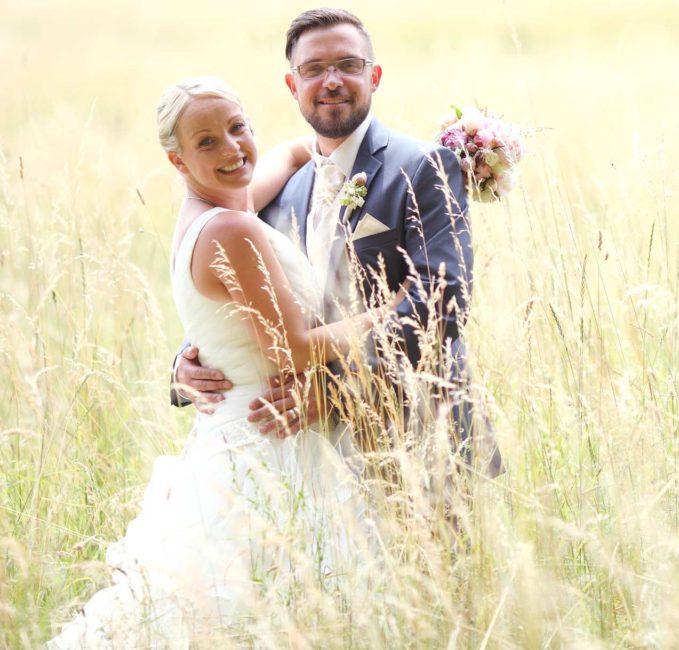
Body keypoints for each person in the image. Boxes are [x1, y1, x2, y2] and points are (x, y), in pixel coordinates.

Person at [48, 77, 383, 647]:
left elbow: (282, 155)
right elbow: (296, 349)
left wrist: (312, 151)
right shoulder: (230, 228)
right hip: (268, 443)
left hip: (235, 433)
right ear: (177, 160)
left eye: (238, 127)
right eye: (207, 143)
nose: (232, 149)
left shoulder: (224, 207)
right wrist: (393, 311)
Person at [171, 8, 503, 480]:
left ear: (374, 76)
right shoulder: (280, 188)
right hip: (315, 460)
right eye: (313, 69)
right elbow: (247, 292)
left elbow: (444, 302)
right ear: (293, 85)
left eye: (348, 65)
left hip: (421, 437)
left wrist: (335, 391)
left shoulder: (423, 167)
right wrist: (188, 364)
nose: (332, 81)